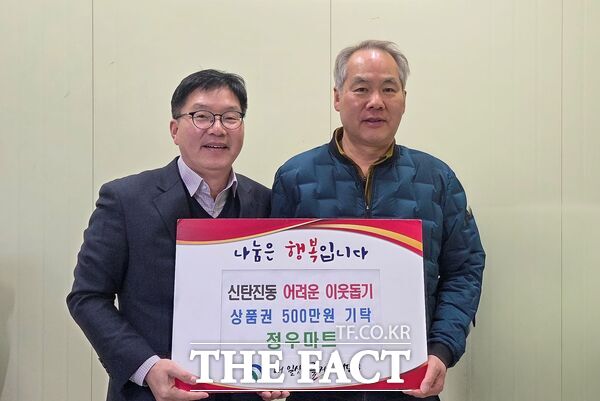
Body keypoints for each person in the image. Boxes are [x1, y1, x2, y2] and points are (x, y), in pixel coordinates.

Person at [271, 40, 485, 400]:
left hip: (409, 384)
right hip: (316, 384)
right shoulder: (294, 177)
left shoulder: (436, 179)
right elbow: (271, 279)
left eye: (388, 89)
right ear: (337, 97)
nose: (376, 102)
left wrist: (441, 349)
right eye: (361, 89)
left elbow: (464, 270)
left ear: (404, 98)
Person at [67, 69, 287, 401]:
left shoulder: (266, 203)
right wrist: (146, 367)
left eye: (230, 117)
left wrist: (280, 366)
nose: (217, 128)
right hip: (150, 393)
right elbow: (87, 297)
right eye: (201, 116)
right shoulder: (125, 200)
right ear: (174, 129)